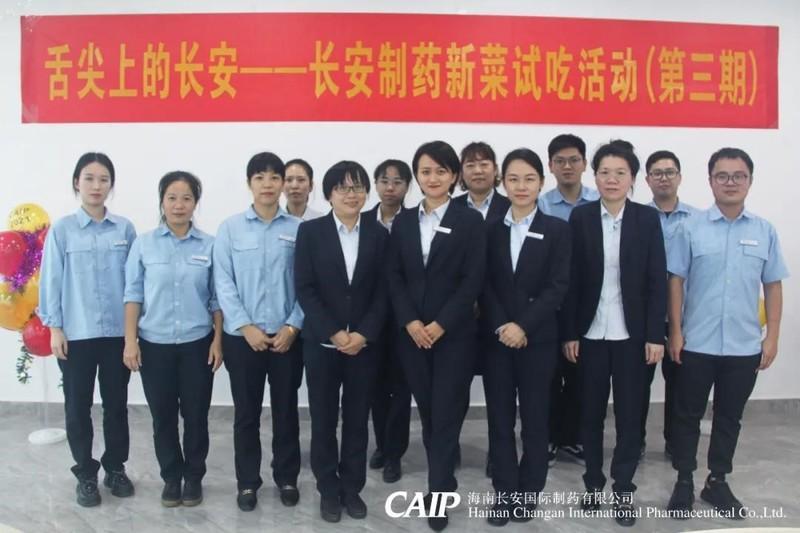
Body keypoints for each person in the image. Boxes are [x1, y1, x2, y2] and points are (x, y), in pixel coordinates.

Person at [666, 148, 787, 519]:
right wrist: (675, 331)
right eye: (722, 176)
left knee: (729, 417)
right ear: (710, 181)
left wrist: (772, 337)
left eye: (738, 176)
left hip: (743, 345)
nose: (730, 182)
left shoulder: (764, 230)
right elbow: (675, 282)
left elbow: (773, 286)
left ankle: (717, 481)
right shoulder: (690, 228)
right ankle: (684, 480)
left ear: (749, 181)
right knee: (686, 415)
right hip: (696, 342)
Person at [562, 140, 666, 527]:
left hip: (633, 337)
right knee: (589, 415)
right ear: (595, 176)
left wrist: (655, 335)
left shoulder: (646, 219)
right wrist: (570, 332)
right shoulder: (581, 218)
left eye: (620, 173)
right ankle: (593, 483)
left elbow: (657, 280)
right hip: (590, 334)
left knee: (630, 417)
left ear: (633, 178)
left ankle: (623, 489)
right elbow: (571, 281)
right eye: (604, 172)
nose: (611, 179)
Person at [387, 140, 486, 531]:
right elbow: (394, 276)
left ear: (454, 176)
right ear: (417, 176)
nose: (432, 178)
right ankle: (444, 474)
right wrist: (411, 322)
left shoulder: (470, 221)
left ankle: (439, 490)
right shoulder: (404, 222)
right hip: (412, 336)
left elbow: (472, 280)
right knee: (429, 411)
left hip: (453, 335)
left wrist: (441, 323)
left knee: (445, 412)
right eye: (425, 171)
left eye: (441, 171)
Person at [39, 152, 136, 507]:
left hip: (115, 335)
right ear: (76, 183)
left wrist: (133, 334)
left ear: (111, 185)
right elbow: (51, 281)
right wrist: (55, 328)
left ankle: (115, 468)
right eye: (89, 178)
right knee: (77, 407)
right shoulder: (63, 230)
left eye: (104, 179)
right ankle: (85, 472)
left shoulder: (124, 229)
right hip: (76, 335)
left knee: (116, 405)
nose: (97, 186)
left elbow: (134, 284)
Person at [295, 161, 389, 522]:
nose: (352, 194)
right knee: (323, 421)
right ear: (329, 194)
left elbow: (384, 291)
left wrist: (363, 333)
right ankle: (328, 490)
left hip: (363, 347)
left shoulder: (379, 234)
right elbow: (305, 287)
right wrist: (334, 332)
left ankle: (352, 488)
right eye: (343, 188)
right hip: (322, 345)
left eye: (358, 187)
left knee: (356, 420)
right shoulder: (311, 232)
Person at [122, 171, 223, 507]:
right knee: (162, 417)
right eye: (172, 198)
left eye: (187, 198)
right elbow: (133, 294)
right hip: (155, 345)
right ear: (162, 202)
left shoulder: (210, 245)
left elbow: (217, 299)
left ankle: (193, 477)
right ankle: (171, 477)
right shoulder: (144, 244)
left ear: (196, 203)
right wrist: (130, 341)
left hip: (197, 343)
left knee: (196, 416)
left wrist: (218, 341)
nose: (179, 205)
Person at [482, 149, 571, 526]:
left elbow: (558, 286)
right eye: (513, 179)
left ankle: (529, 491)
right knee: (500, 420)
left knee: (535, 420)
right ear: (502, 182)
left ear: (541, 183)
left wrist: (524, 326)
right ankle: (504, 492)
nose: (521, 186)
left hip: (539, 341)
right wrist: (503, 325)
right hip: (497, 341)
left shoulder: (558, 230)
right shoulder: (489, 229)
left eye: (529, 179)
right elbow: (483, 284)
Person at [213, 152, 304, 511]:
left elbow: (307, 284)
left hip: (287, 339)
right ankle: (247, 483)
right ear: (249, 183)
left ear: (283, 183)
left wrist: (293, 325)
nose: (267, 184)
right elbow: (223, 282)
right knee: (246, 415)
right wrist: (245, 326)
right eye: (259, 177)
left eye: (274, 177)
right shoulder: (230, 228)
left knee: (286, 412)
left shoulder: (299, 229)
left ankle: (287, 477)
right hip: (243, 340)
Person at [539, 134, 600, 467]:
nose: (567, 166)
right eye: (560, 161)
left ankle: (573, 438)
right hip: (550, 303)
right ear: (550, 166)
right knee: (548, 376)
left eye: (574, 160)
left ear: (584, 164)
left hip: (588, 303)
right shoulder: (541, 204)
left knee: (581, 376)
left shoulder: (599, 201)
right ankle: (549, 437)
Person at [453, 141, 511, 477]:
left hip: (499, 316)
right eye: (470, 165)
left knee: (498, 392)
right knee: (454, 390)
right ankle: (448, 447)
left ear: (495, 169)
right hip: (458, 318)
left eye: (484, 163)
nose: (478, 170)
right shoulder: (449, 207)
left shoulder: (511, 205)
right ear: (461, 172)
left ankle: (498, 454)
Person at [641, 151, 698, 460]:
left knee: (680, 385)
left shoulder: (698, 220)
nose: (664, 178)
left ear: (680, 177)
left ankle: (675, 443)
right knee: (638, 386)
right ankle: (635, 441)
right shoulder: (636, 217)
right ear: (647, 179)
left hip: (684, 317)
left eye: (670, 172)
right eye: (657, 173)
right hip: (644, 317)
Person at [364, 159, 412, 483]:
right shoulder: (363, 220)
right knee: (375, 389)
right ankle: (381, 444)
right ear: (376, 184)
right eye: (384, 181)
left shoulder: (414, 221)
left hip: (405, 319)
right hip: (370, 319)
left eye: (398, 181)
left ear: (408, 186)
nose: (390, 187)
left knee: (401, 389)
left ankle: (395, 453)